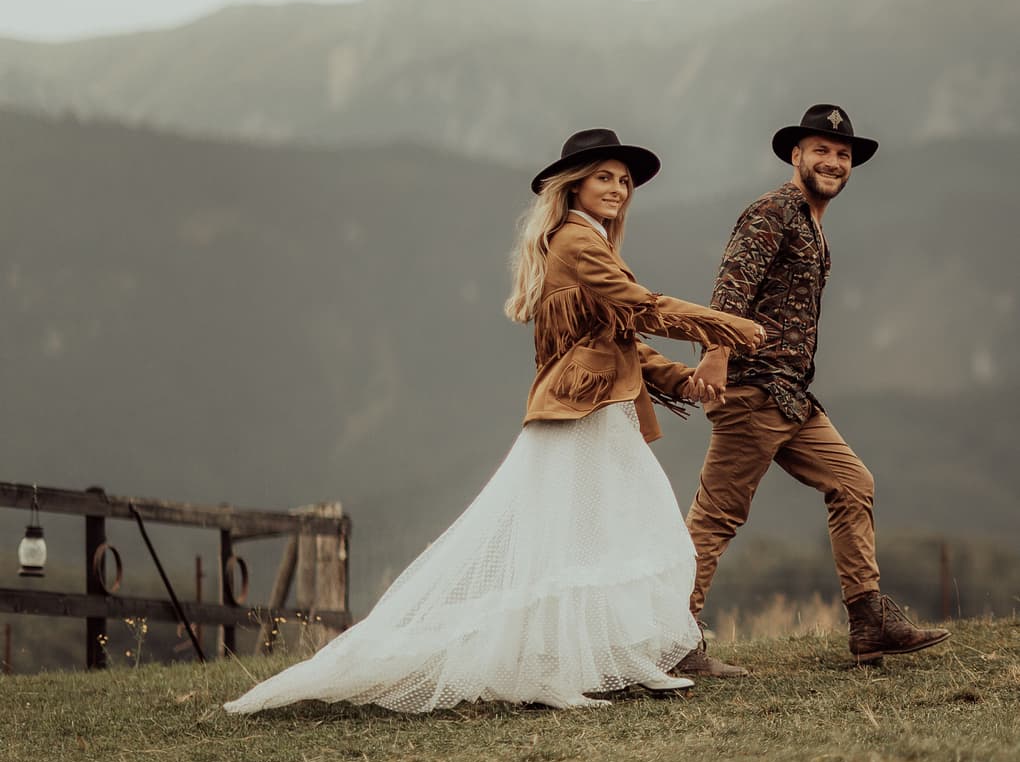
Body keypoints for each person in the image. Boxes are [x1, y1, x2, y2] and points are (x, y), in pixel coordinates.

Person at [224, 128, 762, 716]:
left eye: (624, 180)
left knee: (615, 531)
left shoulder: (590, 242)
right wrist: (723, 326)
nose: (618, 188)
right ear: (574, 185)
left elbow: (617, 337)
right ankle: (587, 664)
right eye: (604, 176)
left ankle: (622, 658)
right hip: (580, 413)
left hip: (598, 409)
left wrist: (682, 380)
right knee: (610, 533)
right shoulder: (576, 242)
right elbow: (642, 307)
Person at [680, 103, 950, 674]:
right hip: (755, 392)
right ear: (795, 156)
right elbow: (733, 282)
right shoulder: (773, 211)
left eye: (843, 154)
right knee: (716, 518)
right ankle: (671, 639)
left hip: (792, 397)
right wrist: (717, 353)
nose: (832, 161)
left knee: (854, 483)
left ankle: (869, 622)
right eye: (821, 150)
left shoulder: (811, 220)